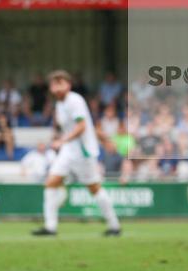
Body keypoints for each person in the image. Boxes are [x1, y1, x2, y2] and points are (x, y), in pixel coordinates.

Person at [32, 70, 121, 237]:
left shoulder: (75, 100)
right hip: (68, 150)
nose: (56, 87)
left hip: (83, 151)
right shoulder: (59, 104)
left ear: (68, 85)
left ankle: (114, 225)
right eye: (54, 84)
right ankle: (50, 227)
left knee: (94, 188)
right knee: (51, 183)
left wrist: (62, 140)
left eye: (60, 83)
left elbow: (82, 127)